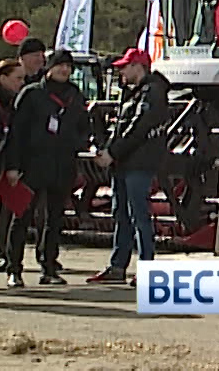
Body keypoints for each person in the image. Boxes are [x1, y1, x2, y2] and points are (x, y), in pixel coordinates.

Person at [2, 49, 91, 288]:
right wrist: (13, 166)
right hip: (32, 165)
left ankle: (49, 267)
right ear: (49, 67)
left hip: (62, 166)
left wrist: (79, 143)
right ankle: (14, 268)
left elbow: (84, 126)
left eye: (68, 66)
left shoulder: (75, 95)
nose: (64, 70)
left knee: (54, 219)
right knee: (22, 217)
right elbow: (16, 133)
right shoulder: (31, 94)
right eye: (60, 65)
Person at [87, 49, 173, 285]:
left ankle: (144, 267)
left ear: (138, 66)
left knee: (137, 215)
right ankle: (118, 266)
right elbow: (125, 128)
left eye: (125, 66)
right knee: (122, 214)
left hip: (139, 163)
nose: (120, 71)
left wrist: (112, 153)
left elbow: (138, 128)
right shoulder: (135, 92)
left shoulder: (152, 92)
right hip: (126, 163)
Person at [0, 58, 29, 273]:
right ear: (3, 78)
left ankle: (6, 255)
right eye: (17, 78)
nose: (21, 83)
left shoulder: (14, 103)